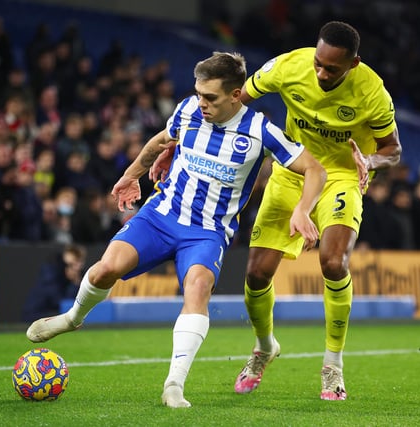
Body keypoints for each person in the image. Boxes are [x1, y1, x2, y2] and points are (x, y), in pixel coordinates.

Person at [26, 52, 326, 408]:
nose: (202, 104)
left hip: (207, 232)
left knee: (197, 288)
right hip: (161, 215)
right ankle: (73, 318)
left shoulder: (260, 130)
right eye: (198, 94)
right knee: (106, 267)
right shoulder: (187, 110)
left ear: (235, 95)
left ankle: (174, 385)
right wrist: (131, 175)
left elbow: (315, 170)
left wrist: (303, 210)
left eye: (210, 98)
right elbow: (160, 141)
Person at [151, 21, 402, 401]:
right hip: (290, 174)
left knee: (334, 263)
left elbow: (393, 151)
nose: (320, 72)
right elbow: (231, 102)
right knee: (256, 275)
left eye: (331, 69)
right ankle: (264, 347)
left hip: (340, 177)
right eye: (318, 62)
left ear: (353, 64)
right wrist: (181, 144)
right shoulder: (287, 66)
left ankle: (333, 364)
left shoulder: (372, 92)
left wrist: (368, 159)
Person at [22, 243, 86, 322]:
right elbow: (61, 304)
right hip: (36, 316)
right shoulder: (50, 274)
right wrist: (74, 284)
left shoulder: (79, 276)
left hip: (53, 315)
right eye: (71, 264)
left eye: (79, 263)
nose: (76, 268)